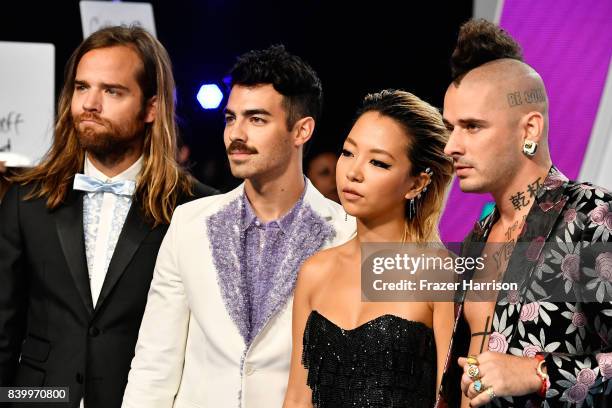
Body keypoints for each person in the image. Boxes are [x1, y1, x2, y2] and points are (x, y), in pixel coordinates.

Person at [121, 45, 355, 408]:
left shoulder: (345, 232)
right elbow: (155, 362)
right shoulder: (190, 223)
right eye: (231, 118)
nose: (236, 134)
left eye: (257, 119)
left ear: (302, 130)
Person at [0, 26, 217, 408]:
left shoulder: (195, 209)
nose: (90, 104)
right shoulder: (26, 199)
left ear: (151, 107)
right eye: (82, 88)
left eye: (112, 91)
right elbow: (3, 330)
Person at [441, 19, 612, 407]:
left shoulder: (590, 215)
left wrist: (538, 374)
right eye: (451, 127)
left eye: (471, 126)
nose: (452, 145)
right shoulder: (480, 233)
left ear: (529, 130)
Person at [283, 89, 456, 407]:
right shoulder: (315, 271)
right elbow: (297, 396)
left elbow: (449, 400)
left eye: (378, 162)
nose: (353, 172)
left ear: (416, 183)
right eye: (348, 152)